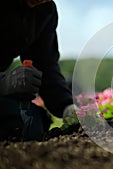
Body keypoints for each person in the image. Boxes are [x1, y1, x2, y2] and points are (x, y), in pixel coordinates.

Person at [0, 0, 76, 141]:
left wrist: (67, 106)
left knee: (32, 121)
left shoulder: (45, 11)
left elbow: (45, 66)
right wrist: (5, 83)